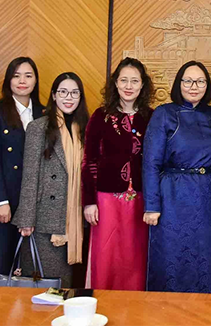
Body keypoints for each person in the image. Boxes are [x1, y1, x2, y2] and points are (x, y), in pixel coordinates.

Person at [142, 61, 211, 293]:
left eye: (200, 81)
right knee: (172, 256)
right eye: (187, 81)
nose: (194, 86)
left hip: (207, 194)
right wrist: (151, 206)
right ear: (179, 83)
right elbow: (150, 163)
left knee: (205, 257)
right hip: (173, 197)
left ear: (207, 85)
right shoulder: (164, 113)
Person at [82, 58, 154, 290]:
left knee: (136, 255)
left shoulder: (152, 117)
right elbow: (89, 162)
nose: (129, 86)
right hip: (106, 200)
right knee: (106, 256)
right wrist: (89, 202)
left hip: (141, 202)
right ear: (115, 83)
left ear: (143, 85)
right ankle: (103, 304)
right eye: (124, 80)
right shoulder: (100, 116)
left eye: (135, 81)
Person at [12, 73, 89, 288]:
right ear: (54, 95)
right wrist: (26, 219)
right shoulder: (39, 128)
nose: (69, 97)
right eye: (63, 91)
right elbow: (30, 176)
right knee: (45, 287)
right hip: (44, 219)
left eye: (74, 92)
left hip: (74, 221)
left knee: (66, 287)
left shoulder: (85, 129)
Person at [0, 57, 43, 285]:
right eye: (16, 76)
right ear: (8, 80)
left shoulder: (45, 113)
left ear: (36, 80)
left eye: (28, 75)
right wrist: (0, 201)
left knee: (25, 275)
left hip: (32, 208)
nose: (22, 81)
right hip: (1, 204)